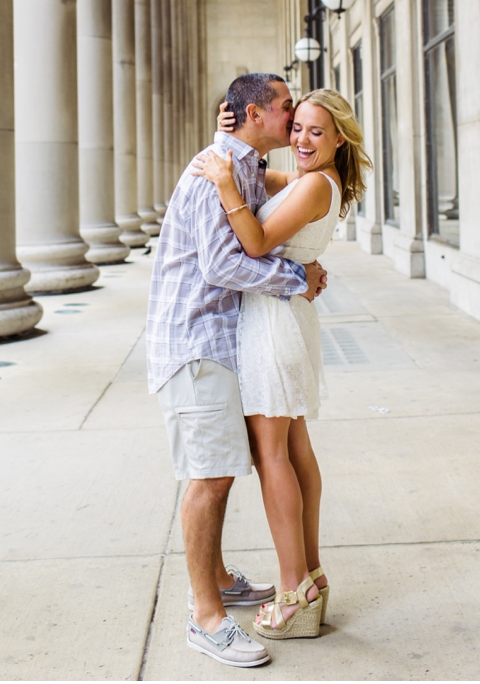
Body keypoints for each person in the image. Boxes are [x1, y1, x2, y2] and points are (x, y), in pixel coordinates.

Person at [144, 72, 328, 668]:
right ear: (254, 114)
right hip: (196, 342)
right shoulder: (213, 171)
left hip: (223, 340)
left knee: (221, 468)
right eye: (285, 109)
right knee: (210, 477)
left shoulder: (242, 164)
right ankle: (207, 618)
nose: (292, 115)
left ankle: (219, 580)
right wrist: (297, 279)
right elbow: (224, 264)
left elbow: (294, 191)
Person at [191, 88, 371, 641]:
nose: (302, 140)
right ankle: (310, 577)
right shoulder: (311, 179)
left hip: (272, 325)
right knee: (294, 451)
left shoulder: (315, 182)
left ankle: (293, 593)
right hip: (285, 320)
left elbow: (256, 240)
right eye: (297, 129)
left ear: (340, 137)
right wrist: (231, 137)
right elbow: (263, 178)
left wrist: (223, 182)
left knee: (275, 457)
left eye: (317, 132)